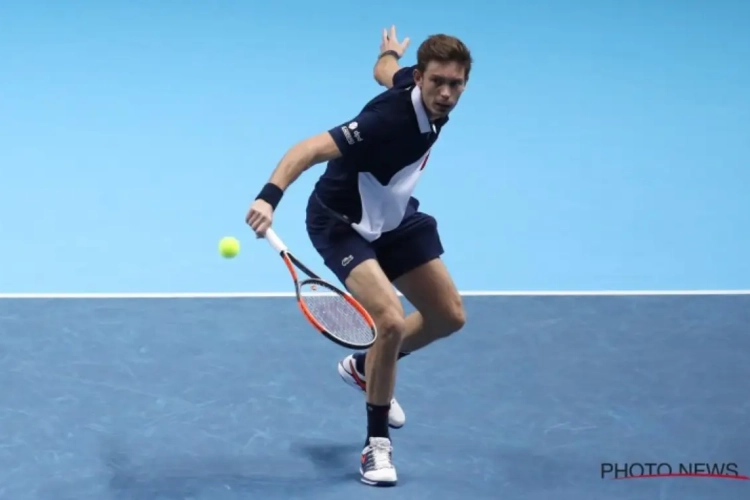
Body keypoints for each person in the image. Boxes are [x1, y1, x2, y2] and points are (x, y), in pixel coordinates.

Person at [246, 26, 472, 487]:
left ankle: (366, 367)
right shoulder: (388, 121)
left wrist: (388, 54)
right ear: (423, 81)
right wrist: (269, 197)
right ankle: (376, 445)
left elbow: (385, 72)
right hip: (340, 221)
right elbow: (308, 149)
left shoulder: (414, 82)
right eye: (438, 84)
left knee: (448, 316)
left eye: (456, 84)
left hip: (391, 215)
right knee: (389, 320)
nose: (446, 94)